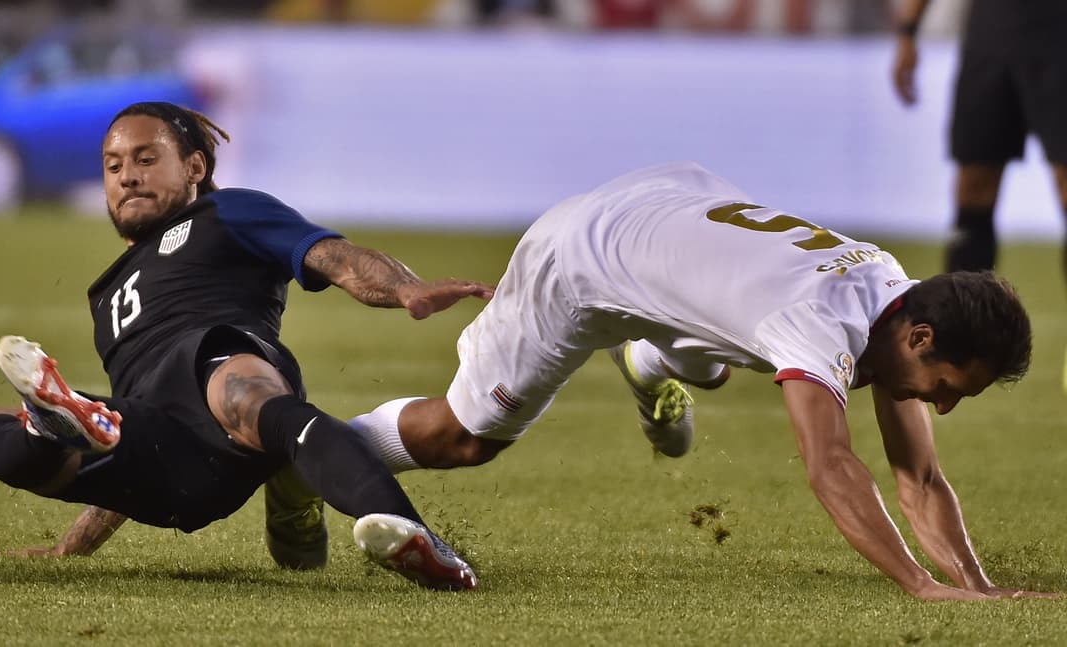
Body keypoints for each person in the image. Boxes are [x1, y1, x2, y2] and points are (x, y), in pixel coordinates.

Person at [348, 161, 1059, 600]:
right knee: (464, 438)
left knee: (719, 356)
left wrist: (981, 584)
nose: (942, 404)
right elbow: (832, 464)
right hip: (582, 259)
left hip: (672, 206)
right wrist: (922, 585)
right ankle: (320, 443)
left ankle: (655, 358)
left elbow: (921, 478)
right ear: (920, 337)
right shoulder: (823, 320)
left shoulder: (898, 294)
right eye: (946, 386)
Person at [0, 101, 493, 591]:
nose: (128, 177)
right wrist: (73, 547)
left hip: (225, 385)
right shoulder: (108, 296)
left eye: (145, 159)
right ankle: (48, 429)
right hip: (172, 467)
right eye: (114, 166)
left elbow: (337, 257)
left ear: (193, 167)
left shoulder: (227, 214)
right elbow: (131, 421)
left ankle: (412, 536)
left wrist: (404, 288)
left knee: (232, 380)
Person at [892, 1, 1067, 278]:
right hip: (989, 36)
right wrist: (907, 32)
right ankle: (965, 317)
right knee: (974, 181)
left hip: (1058, 32)